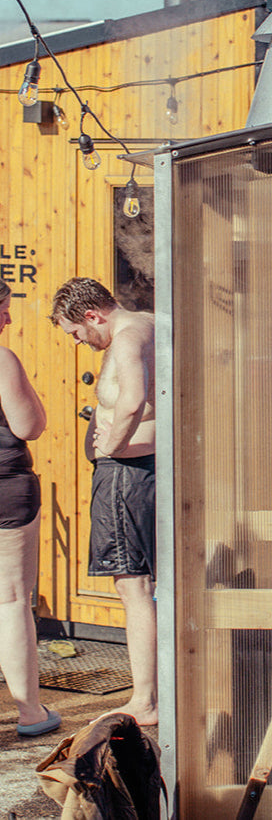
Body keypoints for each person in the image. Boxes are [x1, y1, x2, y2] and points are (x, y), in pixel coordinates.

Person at [51, 278, 157, 726]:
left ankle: (145, 700)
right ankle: (158, 691)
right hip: (153, 471)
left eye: (77, 333)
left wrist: (110, 445)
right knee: (155, 586)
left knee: (132, 588)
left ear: (93, 316)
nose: (80, 343)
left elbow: (132, 401)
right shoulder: (155, 324)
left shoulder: (128, 337)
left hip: (128, 476)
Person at [0, 281, 57, 736]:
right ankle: (31, 714)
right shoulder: (2, 359)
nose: (9, 319)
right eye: (3, 309)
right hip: (5, 489)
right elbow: (30, 425)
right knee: (12, 601)